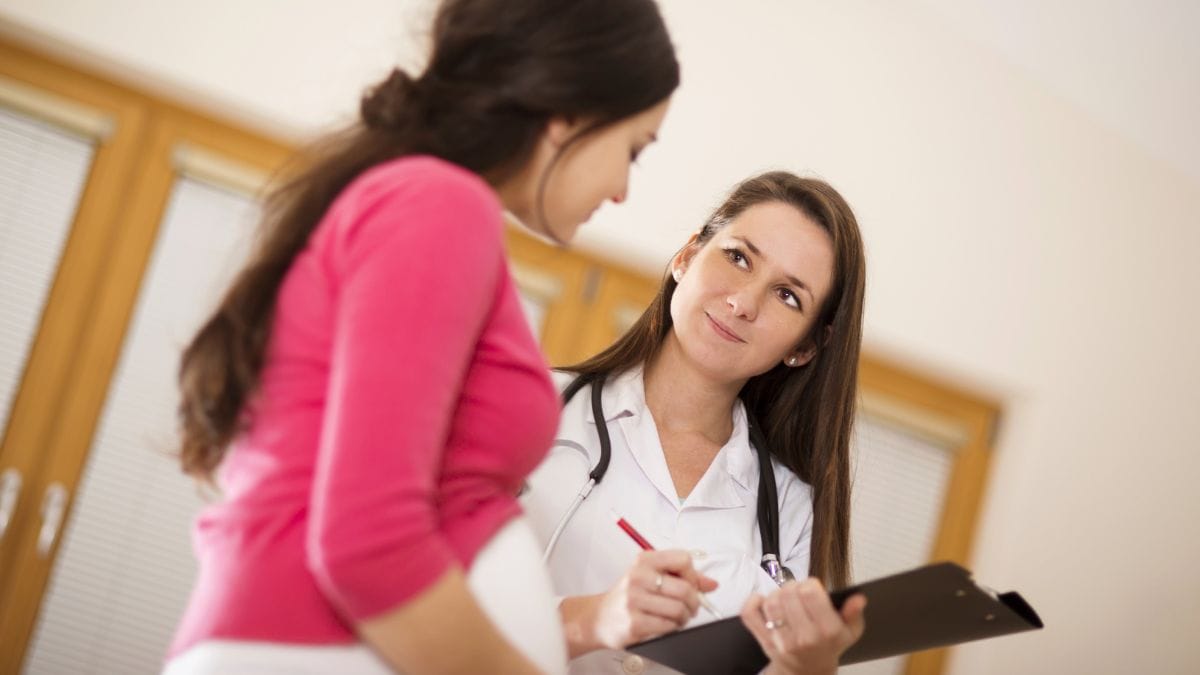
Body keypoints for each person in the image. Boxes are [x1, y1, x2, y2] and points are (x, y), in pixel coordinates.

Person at [164, 1, 678, 673]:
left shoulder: (417, 199)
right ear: (569, 116)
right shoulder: (439, 204)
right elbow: (367, 541)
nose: (621, 191)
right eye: (633, 151)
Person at [521, 171, 868, 675]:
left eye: (787, 295)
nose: (743, 303)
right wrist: (590, 621)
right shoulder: (537, 409)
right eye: (739, 257)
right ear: (686, 256)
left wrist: (807, 669)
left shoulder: (793, 510)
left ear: (805, 347)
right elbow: (435, 608)